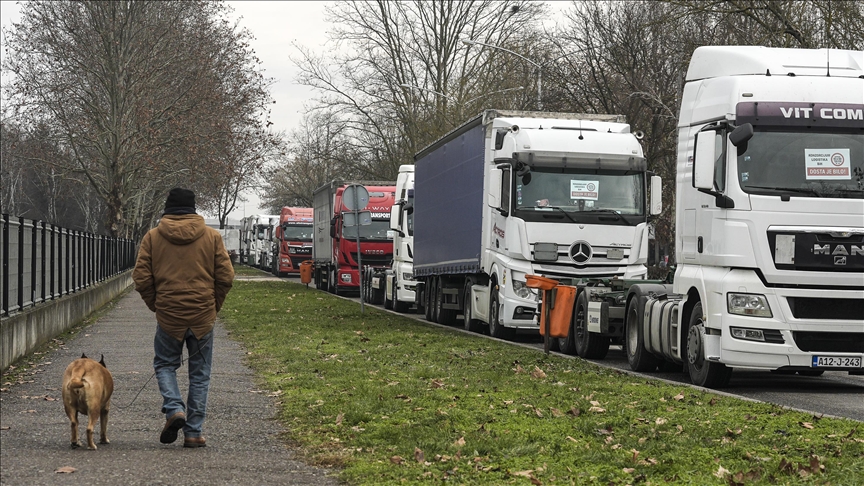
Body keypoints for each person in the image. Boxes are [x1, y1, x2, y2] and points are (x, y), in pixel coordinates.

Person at [132, 188, 234, 448]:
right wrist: (213, 306)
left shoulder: (153, 237)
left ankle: (174, 407)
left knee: (165, 365)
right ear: (193, 208)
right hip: (202, 315)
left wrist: (157, 305)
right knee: (200, 375)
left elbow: (141, 278)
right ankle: (194, 432)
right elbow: (226, 277)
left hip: (169, 314)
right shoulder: (212, 237)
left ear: (166, 208)